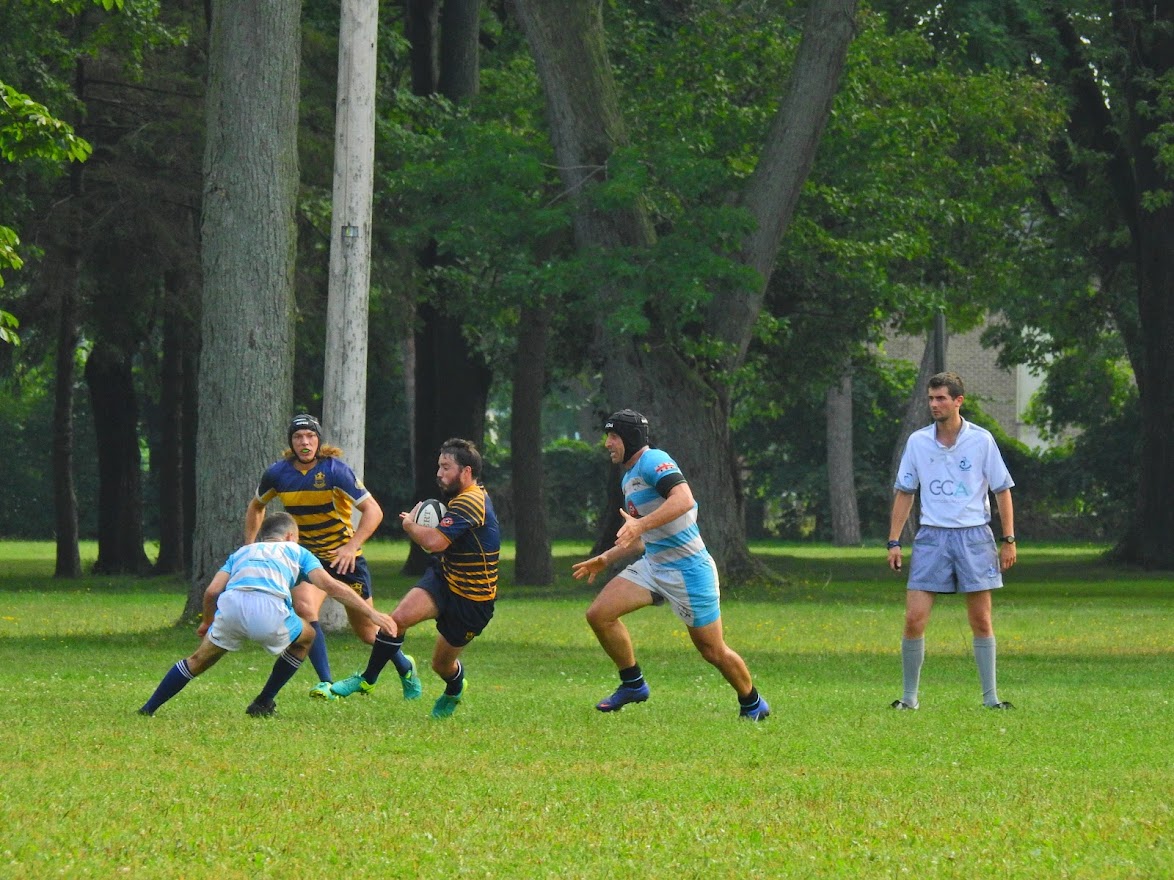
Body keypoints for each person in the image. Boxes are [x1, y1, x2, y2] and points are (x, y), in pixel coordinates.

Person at [572, 409, 770, 721]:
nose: (607, 443)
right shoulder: (629, 478)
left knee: (712, 650)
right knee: (599, 614)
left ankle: (753, 703)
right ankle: (633, 684)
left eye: (613, 436)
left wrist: (639, 525)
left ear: (630, 438)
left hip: (689, 570)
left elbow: (684, 499)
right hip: (654, 565)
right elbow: (641, 537)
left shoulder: (654, 460)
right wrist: (606, 558)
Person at [138, 512, 396, 717]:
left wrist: (207, 621)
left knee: (197, 660)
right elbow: (331, 586)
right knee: (307, 636)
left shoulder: (242, 552)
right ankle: (263, 701)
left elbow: (212, 592)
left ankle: (148, 708)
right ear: (290, 536)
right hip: (270, 609)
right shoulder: (297, 551)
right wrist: (371, 613)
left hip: (232, 607)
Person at [330, 438, 500, 720]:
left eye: (446, 467)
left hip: (472, 600)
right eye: (439, 466)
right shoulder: (463, 496)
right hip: (445, 578)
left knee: (441, 666)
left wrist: (410, 525)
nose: (439, 473)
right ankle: (367, 679)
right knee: (396, 620)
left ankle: (454, 688)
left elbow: (434, 542)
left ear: (466, 471)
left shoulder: (471, 501)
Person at [886, 371, 1017, 710]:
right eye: (931, 398)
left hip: (974, 537)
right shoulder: (918, 442)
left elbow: (1002, 489)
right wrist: (894, 541)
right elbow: (905, 491)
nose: (934, 404)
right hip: (932, 537)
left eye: (941, 398)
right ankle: (909, 699)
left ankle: (991, 699)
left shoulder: (982, 440)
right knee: (914, 619)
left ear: (958, 401)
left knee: (981, 620)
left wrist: (1008, 539)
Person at [244, 414, 385, 701]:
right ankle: (326, 683)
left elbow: (374, 510)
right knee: (305, 610)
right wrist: (250, 547)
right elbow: (256, 506)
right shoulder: (277, 474)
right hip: (308, 558)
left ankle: (406, 667)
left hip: (345, 559)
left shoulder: (335, 471)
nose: (305, 442)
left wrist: (351, 546)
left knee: (368, 633)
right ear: (291, 442)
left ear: (318, 441)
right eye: (298, 437)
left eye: (310, 436)